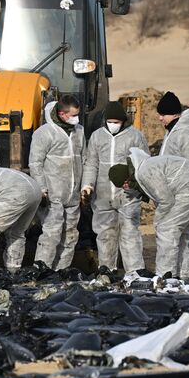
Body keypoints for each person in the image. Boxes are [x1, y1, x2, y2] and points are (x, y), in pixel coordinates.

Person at [109, 148, 189, 279]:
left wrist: (158, 221)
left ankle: (166, 275)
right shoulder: (145, 167)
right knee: (182, 232)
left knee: (166, 229)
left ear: (126, 180)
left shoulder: (145, 172)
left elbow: (166, 201)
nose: (126, 190)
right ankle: (185, 276)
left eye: (124, 186)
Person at [81, 100, 149, 272]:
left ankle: (135, 273)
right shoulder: (97, 136)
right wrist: (88, 185)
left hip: (128, 196)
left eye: (116, 122)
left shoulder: (135, 136)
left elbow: (144, 164)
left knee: (129, 234)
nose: (113, 125)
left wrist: (135, 184)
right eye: (110, 122)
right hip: (103, 196)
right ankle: (106, 271)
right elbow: (91, 164)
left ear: (123, 121)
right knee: (105, 235)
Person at [30, 95, 86, 269]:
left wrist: (84, 187)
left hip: (73, 194)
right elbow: (35, 163)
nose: (76, 118)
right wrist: (42, 189)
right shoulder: (45, 133)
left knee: (70, 235)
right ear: (62, 114)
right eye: (73, 114)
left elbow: (83, 159)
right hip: (53, 194)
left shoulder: (79, 131)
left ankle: (61, 271)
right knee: (51, 233)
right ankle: (42, 268)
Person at [156, 91, 189, 166]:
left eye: (163, 114)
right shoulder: (173, 131)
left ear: (175, 115)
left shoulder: (188, 135)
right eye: (159, 114)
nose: (160, 118)